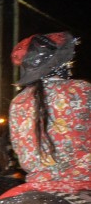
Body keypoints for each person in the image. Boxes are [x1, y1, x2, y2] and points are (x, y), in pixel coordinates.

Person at [8, 32, 91, 193]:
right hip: (82, 179)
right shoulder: (81, 90)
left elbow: (19, 149)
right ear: (60, 65)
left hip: (37, 182)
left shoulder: (17, 102)